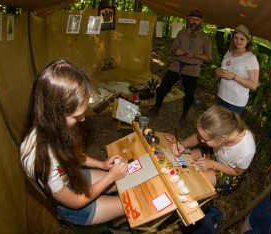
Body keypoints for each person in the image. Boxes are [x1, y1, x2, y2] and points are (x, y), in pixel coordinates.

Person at [20, 59, 128, 226]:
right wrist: (110, 177)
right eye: (76, 116)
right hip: (73, 206)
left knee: (126, 181)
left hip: (71, 177)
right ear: (56, 113)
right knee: (129, 204)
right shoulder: (38, 159)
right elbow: (76, 202)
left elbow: (70, 154)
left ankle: (113, 216)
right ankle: (115, 226)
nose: (83, 119)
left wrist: (102, 165)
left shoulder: (51, 125)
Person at [146, 9, 212, 120]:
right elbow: (172, 50)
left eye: (197, 20)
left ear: (201, 21)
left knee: (189, 96)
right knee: (162, 88)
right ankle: (156, 107)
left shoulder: (205, 38)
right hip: (176, 65)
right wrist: (176, 51)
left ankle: (184, 115)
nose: (194, 22)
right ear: (188, 19)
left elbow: (208, 58)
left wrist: (195, 55)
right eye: (192, 19)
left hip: (193, 69)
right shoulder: (181, 33)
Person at [172, 105, 256, 191]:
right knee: (179, 160)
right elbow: (199, 137)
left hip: (228, 171)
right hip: (213, 155)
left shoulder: (247, 150)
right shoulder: (221, 132)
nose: (201, 140)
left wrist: (212, 164)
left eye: (205, 140)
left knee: (192, 180)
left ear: (222, 138)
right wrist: (183, 144)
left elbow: (236, 172)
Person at [215, 25, 259, 115]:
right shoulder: (229, 52)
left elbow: (254, 85)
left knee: (228, 128)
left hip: (235, 102)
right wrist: (218, 71)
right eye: (236, 38)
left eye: (242, 39)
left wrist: (234, 77)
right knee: (217, 125)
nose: (238, 41)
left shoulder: (251, 58)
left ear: (247, 40)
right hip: (221, 95)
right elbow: (225, 68)